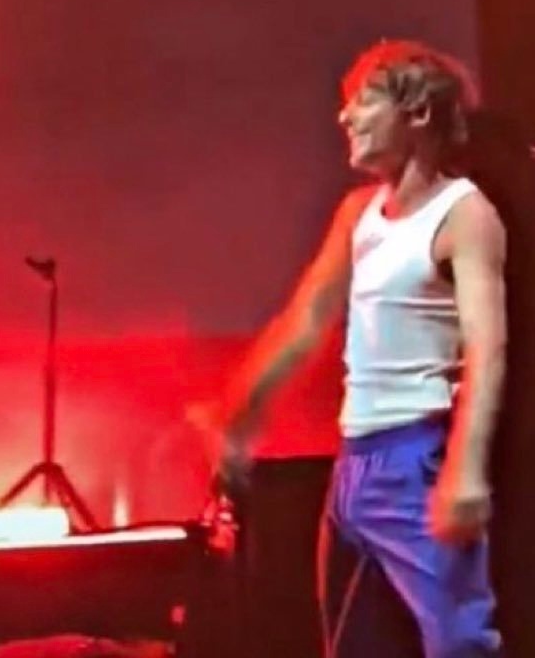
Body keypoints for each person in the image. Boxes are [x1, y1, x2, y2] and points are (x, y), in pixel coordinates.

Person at [209, 39, 507, 658]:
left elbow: (488, 347)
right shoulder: (357, 215)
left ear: (417, 113)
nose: (344, 116)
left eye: (364, 101)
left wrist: (467, 467)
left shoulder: (463, 215)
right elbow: (306, 320)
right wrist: (242, 411)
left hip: (416, 462)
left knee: (460, 645)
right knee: (353, 647)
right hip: (353, 468)